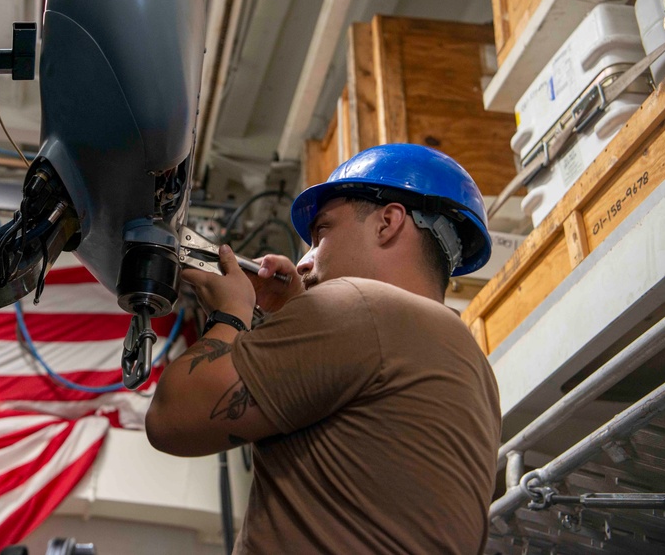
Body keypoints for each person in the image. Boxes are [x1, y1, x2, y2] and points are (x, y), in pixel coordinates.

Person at [145, 144, 502, 554]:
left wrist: (232, 312)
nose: (303, 262)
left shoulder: (360, 305)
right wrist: (295, 310)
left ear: (388, 222)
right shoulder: (468, 362)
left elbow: (171, 419)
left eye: (322, 233)